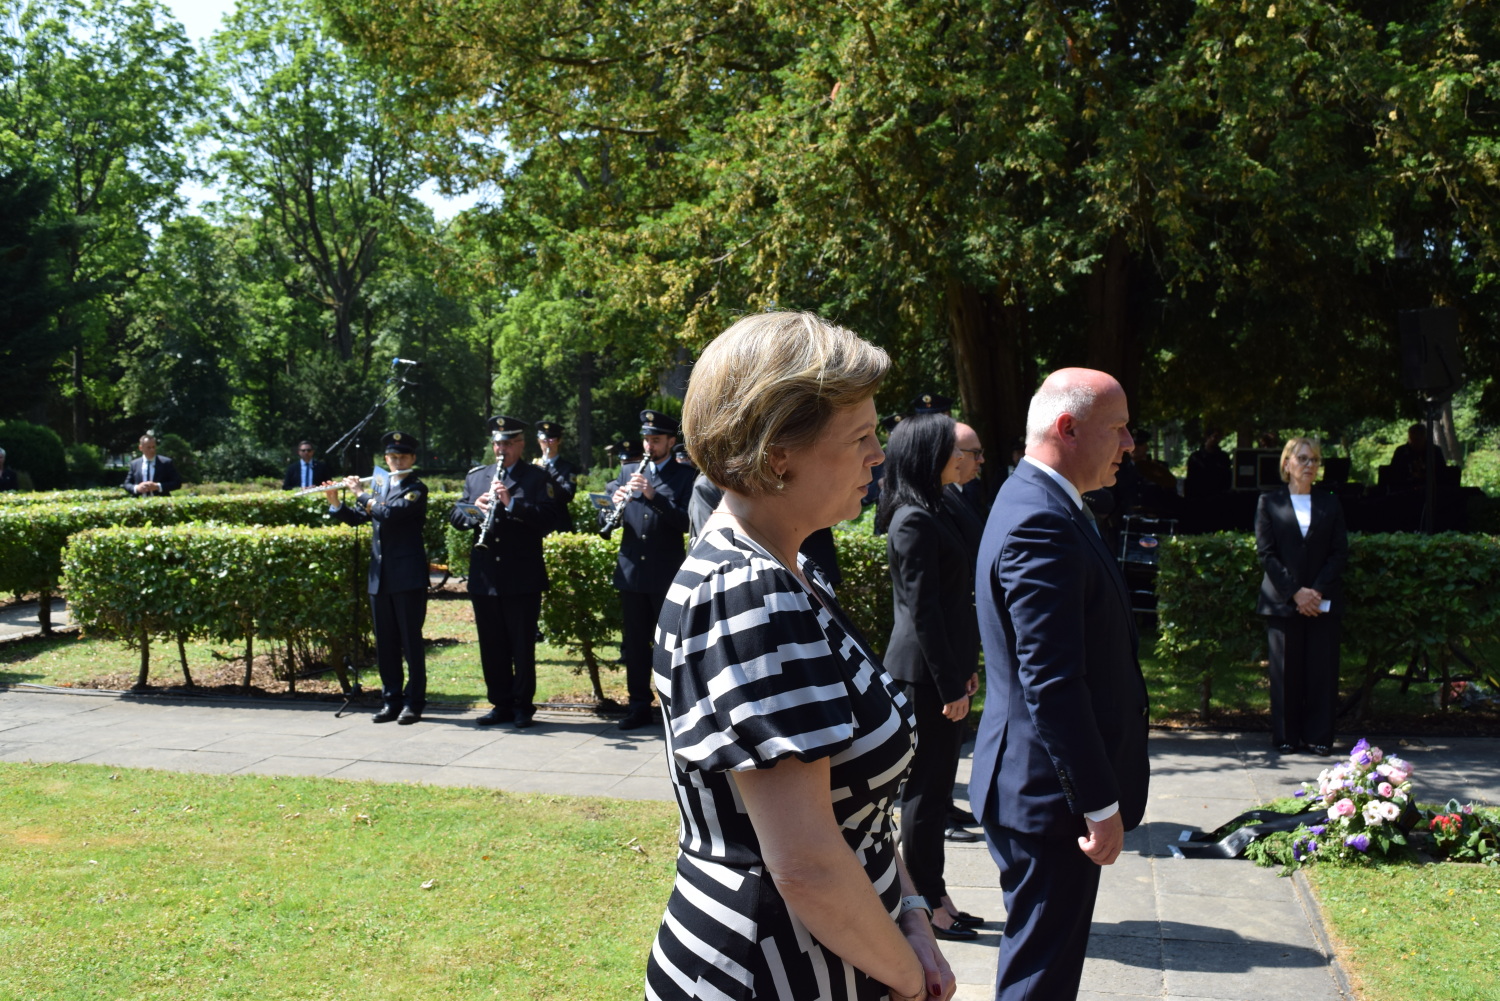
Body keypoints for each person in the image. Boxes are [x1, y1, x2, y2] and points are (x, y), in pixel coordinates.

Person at [645, 310, 955, 1001]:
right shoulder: (750, 594)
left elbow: (854, 811)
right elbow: (807, 861)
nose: (880, 454)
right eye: (862, 437)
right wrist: (911, 978)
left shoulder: (781, 570)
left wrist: (908, 908)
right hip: (773, 971)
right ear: (779, 449)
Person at [970, 368, 1150, 1001]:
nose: (1130, 444)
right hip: (1049, 799)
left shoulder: (1044, 501)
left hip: (1040, 790)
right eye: (1119, 428)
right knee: (1039, 979)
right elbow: (1051, 684)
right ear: (1067, 429)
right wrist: (1099, 803)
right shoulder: (1040, 520)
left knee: (1043, 969)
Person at [877, 413, 983, 942]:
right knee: (925, 793)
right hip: (923, 676)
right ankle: (925, 902)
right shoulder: (912, 519)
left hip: (944, 670)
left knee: (936, 790)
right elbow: (924, 612)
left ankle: (936, 895)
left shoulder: (937, 506)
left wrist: (966, 670)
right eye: (950, 449)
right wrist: (948, 683)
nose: (961, 458)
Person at [452, 416, 563, 729]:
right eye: (497, 443)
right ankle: (499, 703)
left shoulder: (536, 477)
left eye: (508, 443)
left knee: (521, 646)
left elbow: (549, 518)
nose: (502, 449)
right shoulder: (477, 477)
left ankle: (522, 707)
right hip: (485, 578)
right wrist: (475, 509)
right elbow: (456, 516)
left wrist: (511, 503)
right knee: (492, 644)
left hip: (521, 576)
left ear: (520, 444)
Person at [599, 409, 694, 730]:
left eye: (656, 440)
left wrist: (653, 496)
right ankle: (638, 706)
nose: (649, 446)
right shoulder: (626, 472)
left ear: (670, 441)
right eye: (646, 439)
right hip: (631, 573)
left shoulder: (684, 477)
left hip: (665, 575)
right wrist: (613, 506)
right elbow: (605, 522)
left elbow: (685, 522)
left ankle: (676, 708)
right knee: (635, 645)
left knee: (671, 646)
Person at [326, 431, 430, 725]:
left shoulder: (416, 488)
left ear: (412, 459)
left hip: (407, 577)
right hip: (380, 577)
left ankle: (414, 702)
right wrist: (336, 503)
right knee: (385, 642)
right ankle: (391, 700)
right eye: (392, 457)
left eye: (403, 457)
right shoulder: (380, 488)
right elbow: (363, 516)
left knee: (410, 642)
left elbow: (390, 514)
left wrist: (361, 493)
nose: (397, 461)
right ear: (385, 459)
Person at [1255, 437, 1348, 757]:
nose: (1310, 466)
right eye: (1304, 459)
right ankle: (1286, 737)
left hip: (1322, 600)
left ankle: (1319, 737)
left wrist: (1315, 591)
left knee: (1322, 672)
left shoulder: (1330, 503)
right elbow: (1267, 553)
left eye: (1316, 461)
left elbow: (1339, 552)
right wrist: (1296, 592)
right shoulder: (1269, 502)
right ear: (1287, 463)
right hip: (1283, 602)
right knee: (1285, 674)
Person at [688, 470, 844, 586]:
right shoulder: (709, 484)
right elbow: (714, 543)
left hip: (810, 572)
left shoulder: (783, 469)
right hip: (755, 580)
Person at [533, 420, 579, 531]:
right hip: (536, 521)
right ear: (539, 441)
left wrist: (547, 475)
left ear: (559, 441)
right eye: (544, 440)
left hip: (558, 523)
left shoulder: (568, 468)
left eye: (551, 440)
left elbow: (568, 495)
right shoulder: (532, 466)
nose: (547, 443)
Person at [1389, 423, 1447, 487]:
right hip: (1405, 488)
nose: (1414, 443)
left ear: (1424, 437)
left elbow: (1442, 473)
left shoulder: (1434, 451)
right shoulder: (1401, 451)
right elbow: (1394, 474)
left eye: (1417, 439)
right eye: (1412, 438)